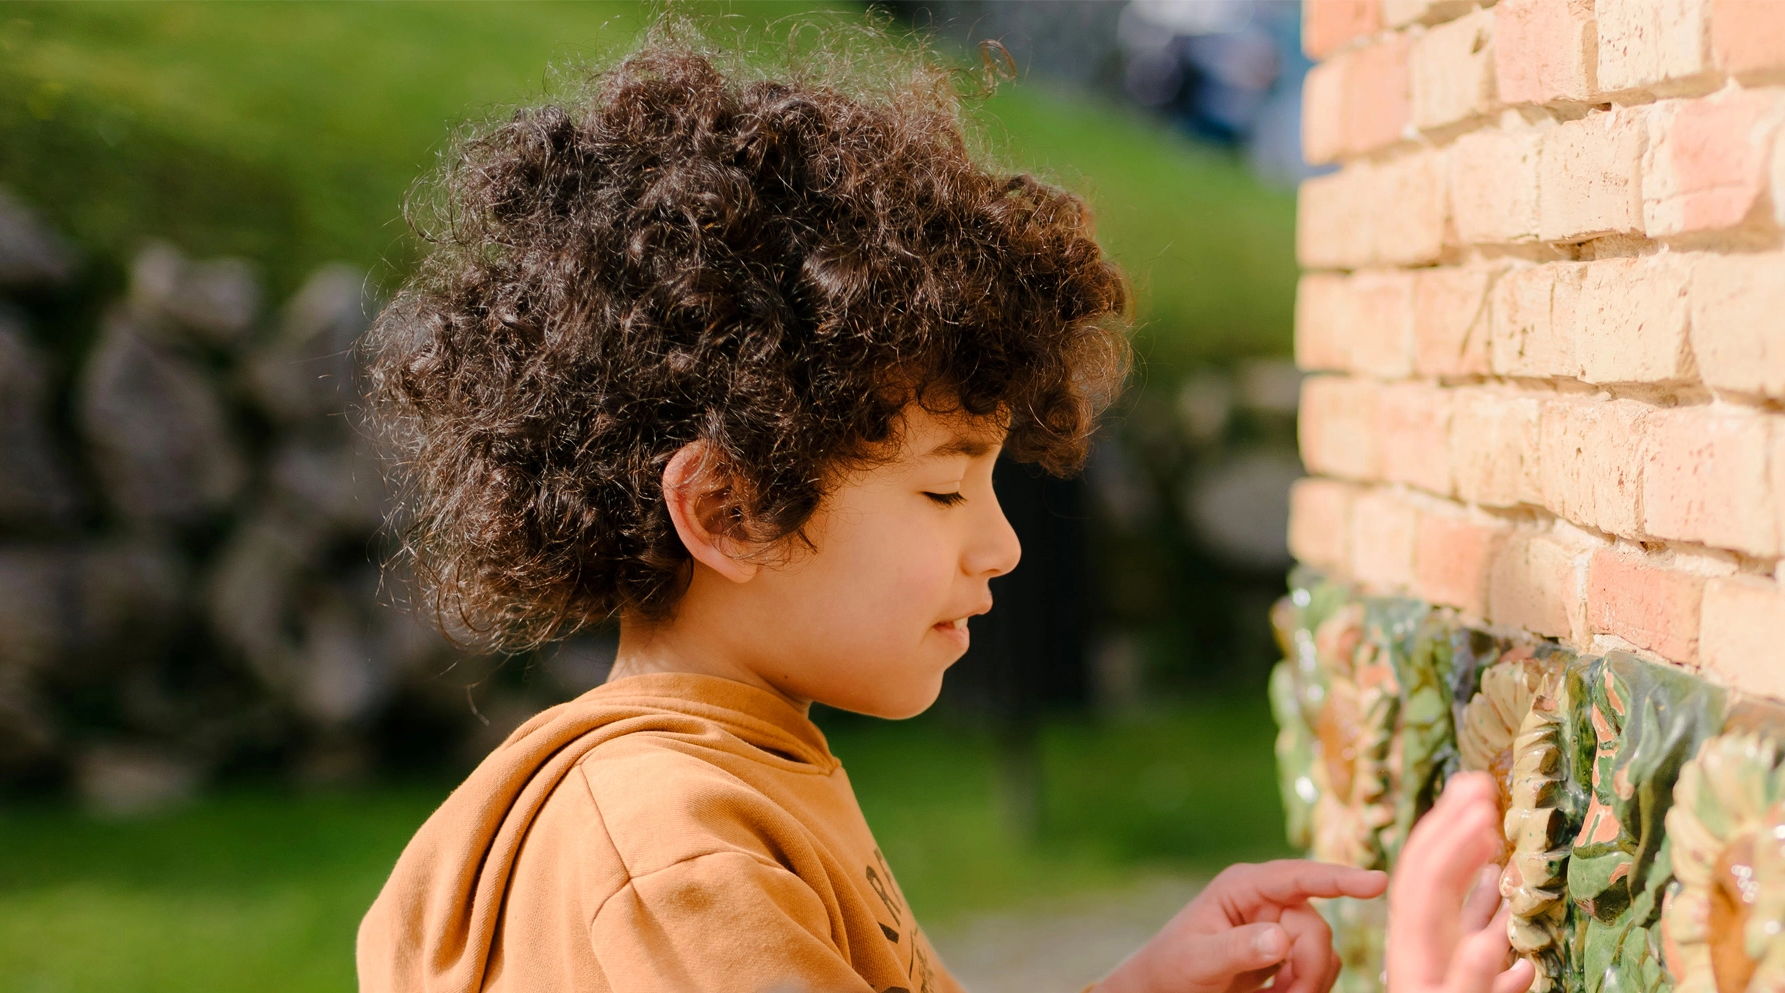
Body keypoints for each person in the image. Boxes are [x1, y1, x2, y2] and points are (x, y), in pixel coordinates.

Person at [356, 23, 1536, 993]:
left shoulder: (736, 772)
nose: (1002, 544)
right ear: (729, 508)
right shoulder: (676, 858)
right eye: (940, 486)